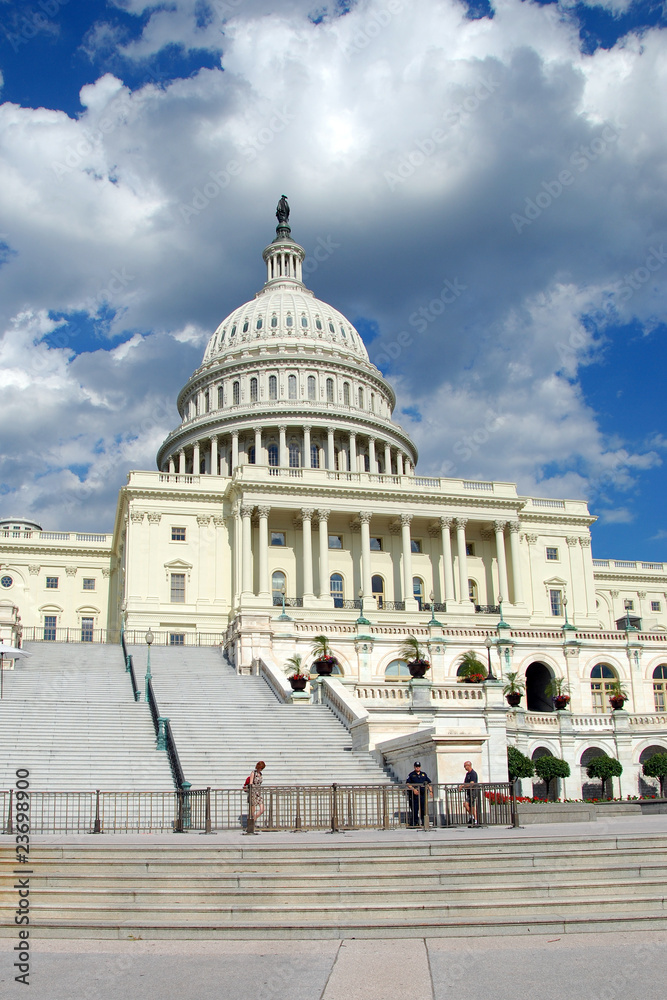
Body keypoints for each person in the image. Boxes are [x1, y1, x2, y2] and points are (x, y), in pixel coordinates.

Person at [406, 761, 433, 827]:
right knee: (415, 808)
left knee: (423, 808)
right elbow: (408, 784)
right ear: (414, 767)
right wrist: (413, 789)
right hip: (415, 794)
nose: (417, 768)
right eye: (416, 767)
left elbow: (428, 783)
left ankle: (424, 822)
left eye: (418, 766)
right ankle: (415, 822)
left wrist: (431, 791)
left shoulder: (423, 774)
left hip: (423, 794)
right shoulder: (412, 775)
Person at [246, 760, 266, 833]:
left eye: (262, 768)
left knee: (262, 809)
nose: (260, 769)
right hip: (253, 792)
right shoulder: (253, 773)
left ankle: (252, 820)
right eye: (260, 768)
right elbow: (251, 783)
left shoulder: (260, 774)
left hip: (259, 793)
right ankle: (251, 824)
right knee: (252, 810)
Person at [460, 760, 479, 825]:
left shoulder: (473, 773)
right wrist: (463, 786)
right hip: (469, 791)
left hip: (473, 791)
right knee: (466, 804)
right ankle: (472, 817)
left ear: (469, 765)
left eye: (465, 766)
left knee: (472, 805)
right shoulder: (467, 774)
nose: (465, 768)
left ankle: (475, 819)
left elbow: (472, 783)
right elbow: (465, 782)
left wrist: (463, 786)